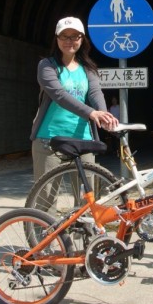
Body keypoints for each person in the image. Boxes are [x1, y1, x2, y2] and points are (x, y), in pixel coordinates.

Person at [30, 16, 118, 181]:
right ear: (57, 39)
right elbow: (59, 95)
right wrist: (92, 113)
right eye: (64, 36)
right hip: (49, 139)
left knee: (88, 200)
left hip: (83, 139)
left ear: (82, 40)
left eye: (74, 36)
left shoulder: (88, 69)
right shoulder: (47, 66)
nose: (69, 41)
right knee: (46, 202)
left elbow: (95, 92)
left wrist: (103, 114)